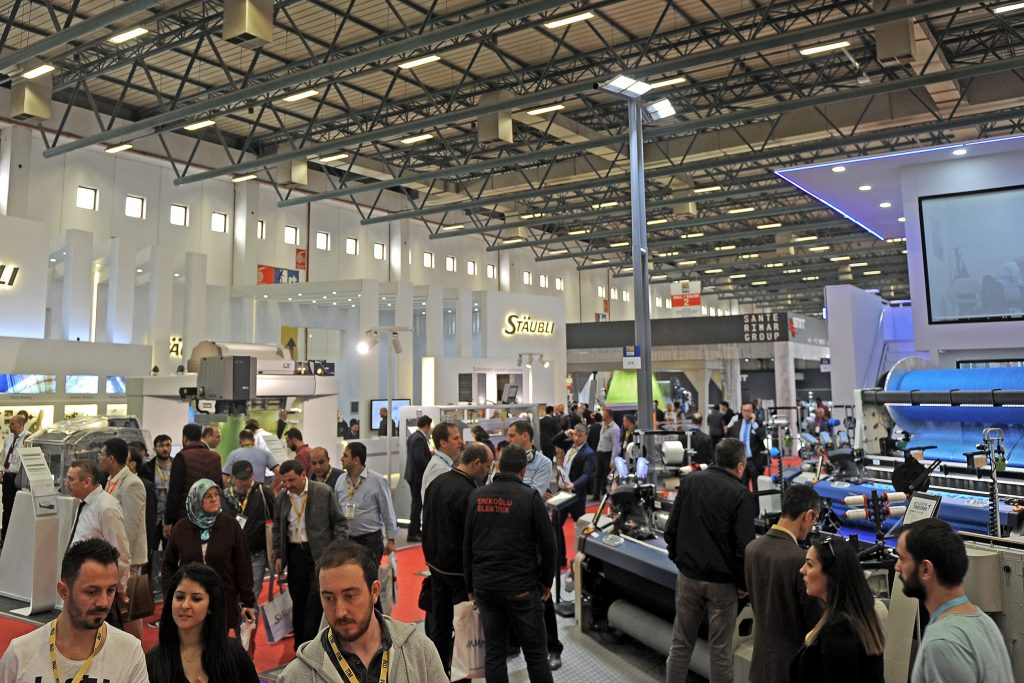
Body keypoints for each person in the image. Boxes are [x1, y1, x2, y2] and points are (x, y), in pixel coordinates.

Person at [278, 539, 446, 681]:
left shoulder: (419, 652)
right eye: (329, 598)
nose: (340, 612)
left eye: (350, 596)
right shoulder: (297, 676)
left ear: (374, 591)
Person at [664, 437, 756, 683]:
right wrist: (743, 584)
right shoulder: (741, 495)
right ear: (739, 466)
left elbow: (670, 529)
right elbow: (744, 548)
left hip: (688, 578)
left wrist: (680, 561)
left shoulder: (690, 482)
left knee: (680, 645)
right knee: (720, 651)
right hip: (722, 586)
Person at [464, 445, 556, 683]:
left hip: (486, 587)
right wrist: (546, 581)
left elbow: (467, 544)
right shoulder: (530, 498)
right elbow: (549, 544)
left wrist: (471, 585)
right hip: (521, 588)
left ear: (498, 466)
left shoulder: (477, 496)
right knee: (536, 655)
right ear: (523, 470)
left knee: (494, 653)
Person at [0, 539, 148, 682]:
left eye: (110, 590)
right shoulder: (20, 653)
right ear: (64, 591)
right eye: (92, 592)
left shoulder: (130, 651)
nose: (103, 602)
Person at [896, 518, 1014, 683]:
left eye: (902, 559)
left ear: (925, 569)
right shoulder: (984, 622)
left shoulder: (942, 643)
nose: (897, 567)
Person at [422, 442, 494, 677]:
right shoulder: (469, 493)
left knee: (439, 624)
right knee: (464, 629)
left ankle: (437, 672)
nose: (488, 472)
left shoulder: (437, 483)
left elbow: (426, 523)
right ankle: (460, 675)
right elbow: (471, 538)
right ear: (476, 463)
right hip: (459, 573)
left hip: (435, 566)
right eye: (487, 466)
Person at [745, 484, 823, 683]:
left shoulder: (752, 548)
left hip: (760, 666)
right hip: (790, 669)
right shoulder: (801, 561)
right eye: (815, 520)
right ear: (808, 515)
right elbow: (815, 621)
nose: (812, 528)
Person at [162, 479, 256, 636]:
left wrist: (248, 601)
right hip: (191, 602)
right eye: (207, 496)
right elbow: (168, 565)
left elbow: (243, 565)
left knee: (220, 644)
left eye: (216, 495)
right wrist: (170, 594)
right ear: (196, 499)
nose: (214, 499)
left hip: (223, 600)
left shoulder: (230, 526)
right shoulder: (181, 528)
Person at [273, 459, 347, 650]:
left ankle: (313, 647)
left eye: (291, 480)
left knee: (315, 604)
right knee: (298, 602)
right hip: (294, 555)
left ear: (303, 475)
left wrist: (335, 552)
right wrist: (278, 554)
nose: (288, 485)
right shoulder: (282, 498)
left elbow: (340, 524)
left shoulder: (323, 492)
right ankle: (299, 649)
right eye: (284, 481)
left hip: (319, 556)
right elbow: (277, 528)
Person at [792, 537, 885, 682]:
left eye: (809, 564)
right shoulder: (854, 618)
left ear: (831, 574)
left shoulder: (839, 629)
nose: (802, 570)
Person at [147, 563, 259, 682]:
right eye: (179, 597)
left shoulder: (234, 655)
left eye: (196, 599)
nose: (185, 605)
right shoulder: (153, 661)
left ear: (211, 606)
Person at [98, 437, 148, 638]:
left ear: (111, 458)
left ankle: (136, 649)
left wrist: (121, 559)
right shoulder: (111, 480)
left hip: (126, 557)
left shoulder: (132, 484)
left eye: (101, 455)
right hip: (114, 553)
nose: (99, 458)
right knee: (118, 607)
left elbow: (131, 527)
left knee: (129, 608)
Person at [65, 460, 132, 598]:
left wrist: (119, 589)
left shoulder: (106, 508)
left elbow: (121, 552)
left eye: (71, 479)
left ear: (87, 482)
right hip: (79, 580)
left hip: (97, 586)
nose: (66, 483)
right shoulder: (84, 503)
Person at [336, 441, 399, 568]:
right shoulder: (341, 480)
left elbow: (387, 511)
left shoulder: (377, 481)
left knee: (369, 576)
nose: (341, 459)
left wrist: (391, 539)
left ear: (356, 460)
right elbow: (336, 510)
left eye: (345, 456)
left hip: (370, 541)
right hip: (347, 540)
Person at [224, 460, 276, 601]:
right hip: (231, 556)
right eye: (240, 479)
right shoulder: (224, 497)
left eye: (247, 478)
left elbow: (275, 521)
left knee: (251, 596)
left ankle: (249, 616)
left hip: (256, 554)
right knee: (232, 595)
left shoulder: (263, 493)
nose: (244, 482)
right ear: (232, 478)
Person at [164, 423, 223, 539]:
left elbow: (174, 492)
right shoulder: (216, 457)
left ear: (185, 438)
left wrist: (168, 521)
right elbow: (220, 487)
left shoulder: (181, 457)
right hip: (210, 517)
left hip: (186, 519)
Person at [555, 423, 595, 571]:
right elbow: (555, 440)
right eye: (575, 435)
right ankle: (560, 559)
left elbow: (587, 474)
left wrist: (574, 484)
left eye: (580, 436)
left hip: (576, 495)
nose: (576, 438)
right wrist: (566, 433)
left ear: (586, 436)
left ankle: (584, 560)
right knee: (555, 525)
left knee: (582, 527)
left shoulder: (588, 453)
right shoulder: (569, 445)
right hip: (562, 492)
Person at [140, 433, 173, 591]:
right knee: (147, 554)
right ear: (154, 448)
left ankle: (169, 586)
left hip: (170, 519)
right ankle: (144, 588)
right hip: (152, 517)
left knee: (170, 555)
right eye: (161, 445)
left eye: (168, 445)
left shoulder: (177, 465)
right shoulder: (147, 468)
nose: (165, 449)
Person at [127, 444, 158, 584]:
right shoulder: (111, 481)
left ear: (132, 464)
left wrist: (148, 547)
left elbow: (149, 519)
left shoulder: (145, 485)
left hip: (135, 550)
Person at [0, 413, 28, 546]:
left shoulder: (28, 438)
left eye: (12, 423)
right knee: (6, 508)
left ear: (20, 424)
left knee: (18, 508)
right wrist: (1, 470)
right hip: (7, 477)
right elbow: (3, 456)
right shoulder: (9, 438)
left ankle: (17, 539)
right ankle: (5, 538)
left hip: (19, 478)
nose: (9, 426)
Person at [404, 415, 432, 542]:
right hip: (417, 477)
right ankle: (412, 532)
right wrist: (430, 468)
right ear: (426, 426)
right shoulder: (420, 438)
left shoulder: (412, 436)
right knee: (417, 505)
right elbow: (419, 459)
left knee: (416, 504)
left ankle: (415, 530)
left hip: (412, 475)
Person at [506, 419, 553, 497]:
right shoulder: (506, 460)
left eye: (512, 436)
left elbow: (533, 495)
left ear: (525, 436)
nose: (508, 440)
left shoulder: (543, 462)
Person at [729, 401, 768, 491]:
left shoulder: (758, 423)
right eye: (744, 410)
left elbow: (763, 436)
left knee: (757, 487)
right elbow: (731, 441)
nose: (746, 413)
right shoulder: (736, 425)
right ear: (741, 411)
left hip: (755, 461)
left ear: (753, 412)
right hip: (741, 461)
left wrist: (754, 423)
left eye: (748, 411)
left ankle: (756, 501)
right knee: (742, 486)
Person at [422, 421, 464, 500]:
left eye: (459, 437)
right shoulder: (439, 468)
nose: (460, 442)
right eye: (456, 438)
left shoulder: (443, 464)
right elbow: (435, 502)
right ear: (443, 443)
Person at [594, 407, 620, 499]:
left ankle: (605, 492)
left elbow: (616, 446)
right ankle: (596, 494)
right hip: (600, 453)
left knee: (607, 475)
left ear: (608, 416)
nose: (602, 416)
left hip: (607, 454)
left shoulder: (615, 429)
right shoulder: (603, 426)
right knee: (597, 474)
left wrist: (613, 460)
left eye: (604, 414)